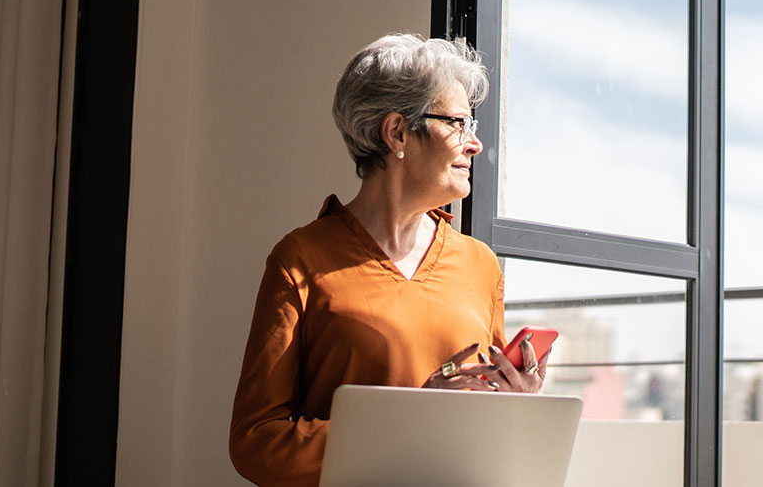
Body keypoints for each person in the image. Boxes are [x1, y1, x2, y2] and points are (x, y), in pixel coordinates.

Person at [227, 34, 552, 487]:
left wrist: (519, 403)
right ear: (397, 132)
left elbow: (484, 426)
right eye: (458, 123)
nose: (475, 144)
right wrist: (407, 422)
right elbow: (256, 441)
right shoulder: (300, 260)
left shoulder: (480, 265)